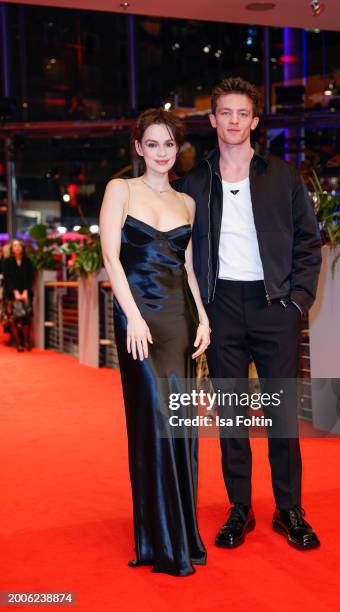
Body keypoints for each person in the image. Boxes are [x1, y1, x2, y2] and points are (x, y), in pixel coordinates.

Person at [175, 77, 322, 551]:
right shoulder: (195, 184)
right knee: (232, 415)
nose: (234, 121)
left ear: (255, 121)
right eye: (225, 113)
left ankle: (289, 509)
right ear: (213, 119)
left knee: (280, 416)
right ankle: (240, 507)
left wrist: (298, 302)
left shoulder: (283, 177)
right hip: (221, 309)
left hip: (274, 306)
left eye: (243, 114)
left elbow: (308, 243)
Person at [99, 109, 209, 576]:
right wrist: (132, 317)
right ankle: (159, 540)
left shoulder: (188, 203)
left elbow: (186, 268)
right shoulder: (120, 190)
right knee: (153, 422)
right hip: (141, 324)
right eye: (153, 144)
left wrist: (203, 318)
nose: (162, 152)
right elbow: (110, 255)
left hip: (181, 321)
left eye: (169, 144)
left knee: (181, 426)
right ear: (139, 148)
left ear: (176, 148)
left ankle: (180, 533)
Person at [3, 239, 34, 352]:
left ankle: (27, 341)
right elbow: (8, 279)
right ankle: (19, 342)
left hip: (26, 293)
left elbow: (30, 278)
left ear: (22, 248)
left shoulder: (28, 261)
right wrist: (15, 292)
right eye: (15, 245)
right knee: (17, 318)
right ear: (12, 248)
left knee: (27, 317)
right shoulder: (7, 262)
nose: (17, 247)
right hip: (12, 294)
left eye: (19, 245)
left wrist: (25, 291)